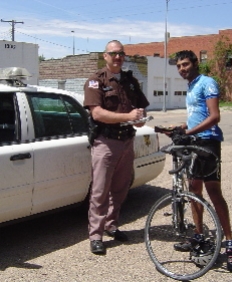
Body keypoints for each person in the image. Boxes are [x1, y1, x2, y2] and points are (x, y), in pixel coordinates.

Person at [171, 50, 232, 272]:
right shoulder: (191, 86)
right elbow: (198, 114)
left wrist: (190, 132)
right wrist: (183, 127)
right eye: (179, 66)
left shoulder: (207, 82)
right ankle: (199, 236)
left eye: (185, 64)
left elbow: (214, 116)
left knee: (214, 192)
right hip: (195, 142)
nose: (182, 69)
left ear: (195, 63)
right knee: (194, 192)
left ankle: (230, 245)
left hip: (208, 143)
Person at [83, 40, 149, 255]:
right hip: (106, 142)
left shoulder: (130, 81)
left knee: (120, 189)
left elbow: (140, 108)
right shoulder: (96, 81)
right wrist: (127, 116)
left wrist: (140, 118)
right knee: (100, 191)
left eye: (121, 53)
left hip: (127, 141)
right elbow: (97, 113)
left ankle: (112, 225)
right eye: (113, 54)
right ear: (105, 56)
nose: (118, 57)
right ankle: (96, 235)